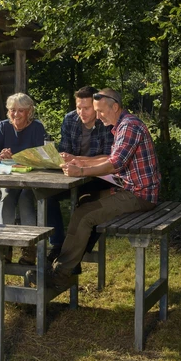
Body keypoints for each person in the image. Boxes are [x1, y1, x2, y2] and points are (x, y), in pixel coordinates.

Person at [28, 88, 161, 292]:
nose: (98, 116)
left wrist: (81, 170)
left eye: (100, 111)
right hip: (129, 189)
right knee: (85, 199)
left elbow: (114, 164)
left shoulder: (129, 127)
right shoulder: (122, 125)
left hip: (139, 194)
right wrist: (79, 160)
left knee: (84, 215)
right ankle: (70, 263)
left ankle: (60, 275)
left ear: (115, 107)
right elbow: (110, 158)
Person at [43, 86, 115, 263]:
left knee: (87, 204)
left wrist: (78, 160)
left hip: (99, 177)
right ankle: (57, 245)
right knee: (46, 195)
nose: (81, 112)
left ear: (96, 107)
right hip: (73, 175)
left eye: (87, 108)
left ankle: (75, 254)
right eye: (78, 107)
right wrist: (64, 158)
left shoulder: (106, 121)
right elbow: (65, 150)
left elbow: (109, 158)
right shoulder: (70, 119)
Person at [0, 92, 47, 264]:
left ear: (29, 111)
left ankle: (29, 248)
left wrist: (17, 158)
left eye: (20, 110)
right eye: (12, 110)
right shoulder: (3, 126)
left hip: (32, 178)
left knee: (25, 198)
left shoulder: (37, 127)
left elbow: (41, 157)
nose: (15, 114)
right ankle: (5, 245)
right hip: (9, 177)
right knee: (7, 197)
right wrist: (1, 156)